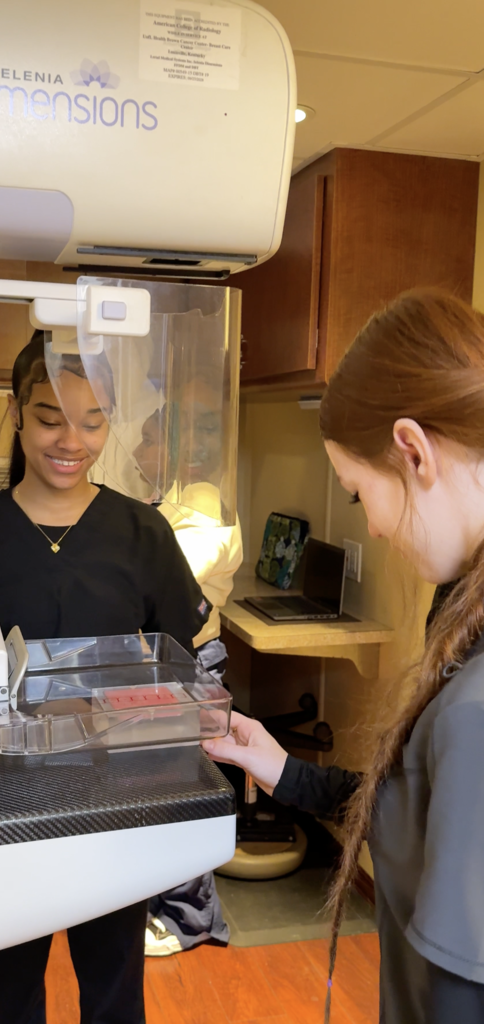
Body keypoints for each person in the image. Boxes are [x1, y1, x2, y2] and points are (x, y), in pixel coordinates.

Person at [202, 289, 484, 1024]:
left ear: (413, 450)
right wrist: (285, 771)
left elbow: (459, 985)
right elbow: (419, 808)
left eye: (360, 497)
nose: (379, 532)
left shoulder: (476, 708)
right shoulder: (462, 607)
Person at [0, 332, 211, 1024]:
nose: (70, 440)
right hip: (1, 806)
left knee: (114, 982)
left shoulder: (143, 534)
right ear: (18, 413)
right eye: (50, 417)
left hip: (113, 807)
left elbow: (183, 664)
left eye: (93, 420)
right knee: (9, 982)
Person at [133, 402, 243, 956]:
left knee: (182, 789)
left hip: (193, 661)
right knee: (160, 785)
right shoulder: (172, 497)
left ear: (174, 446)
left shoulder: (205, 506)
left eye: (148, 438)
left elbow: (166, 583)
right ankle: (163, 905)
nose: (136, 451)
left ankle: (191, 922)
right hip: (167, 660)